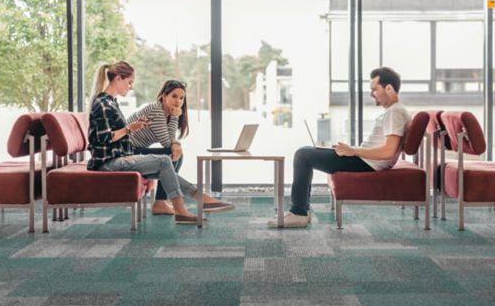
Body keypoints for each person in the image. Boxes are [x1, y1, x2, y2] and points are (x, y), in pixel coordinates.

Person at [268, 67, 411, 228]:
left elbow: (388, 151)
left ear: (389, 88)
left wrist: (353, 151)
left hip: (366, 164)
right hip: (363, 160)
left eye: (374, 89)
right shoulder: (394, 111)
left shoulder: (395, 113)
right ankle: (300, 210)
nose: (371, 94)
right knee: (306, 152)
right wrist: (351, 150)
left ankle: (299, 213)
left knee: (303, 155)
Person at [86, 61, 198, 224]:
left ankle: (191, 200)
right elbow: (104, 138)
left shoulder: (111, 102)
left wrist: (127, 150)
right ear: (118, 78)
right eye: (129, 82)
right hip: (107, 162)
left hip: (119, 156)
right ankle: (187, 204)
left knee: (166, 162)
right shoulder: (103, 104)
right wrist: (130, 128)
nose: (130, 87)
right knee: (165, 159)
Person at [126, 80, 233, 215]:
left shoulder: (166, 113)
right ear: (164, 96)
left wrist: (175, 141)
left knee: (175, 154)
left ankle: (161, 202)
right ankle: (165, 201)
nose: (178, 101)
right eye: (174, 96)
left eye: (182, 98)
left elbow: (170, 141)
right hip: (127, 151)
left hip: (136, 149)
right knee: (173, 154)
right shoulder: (156, 110)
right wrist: (176, 119)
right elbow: (167, 143)